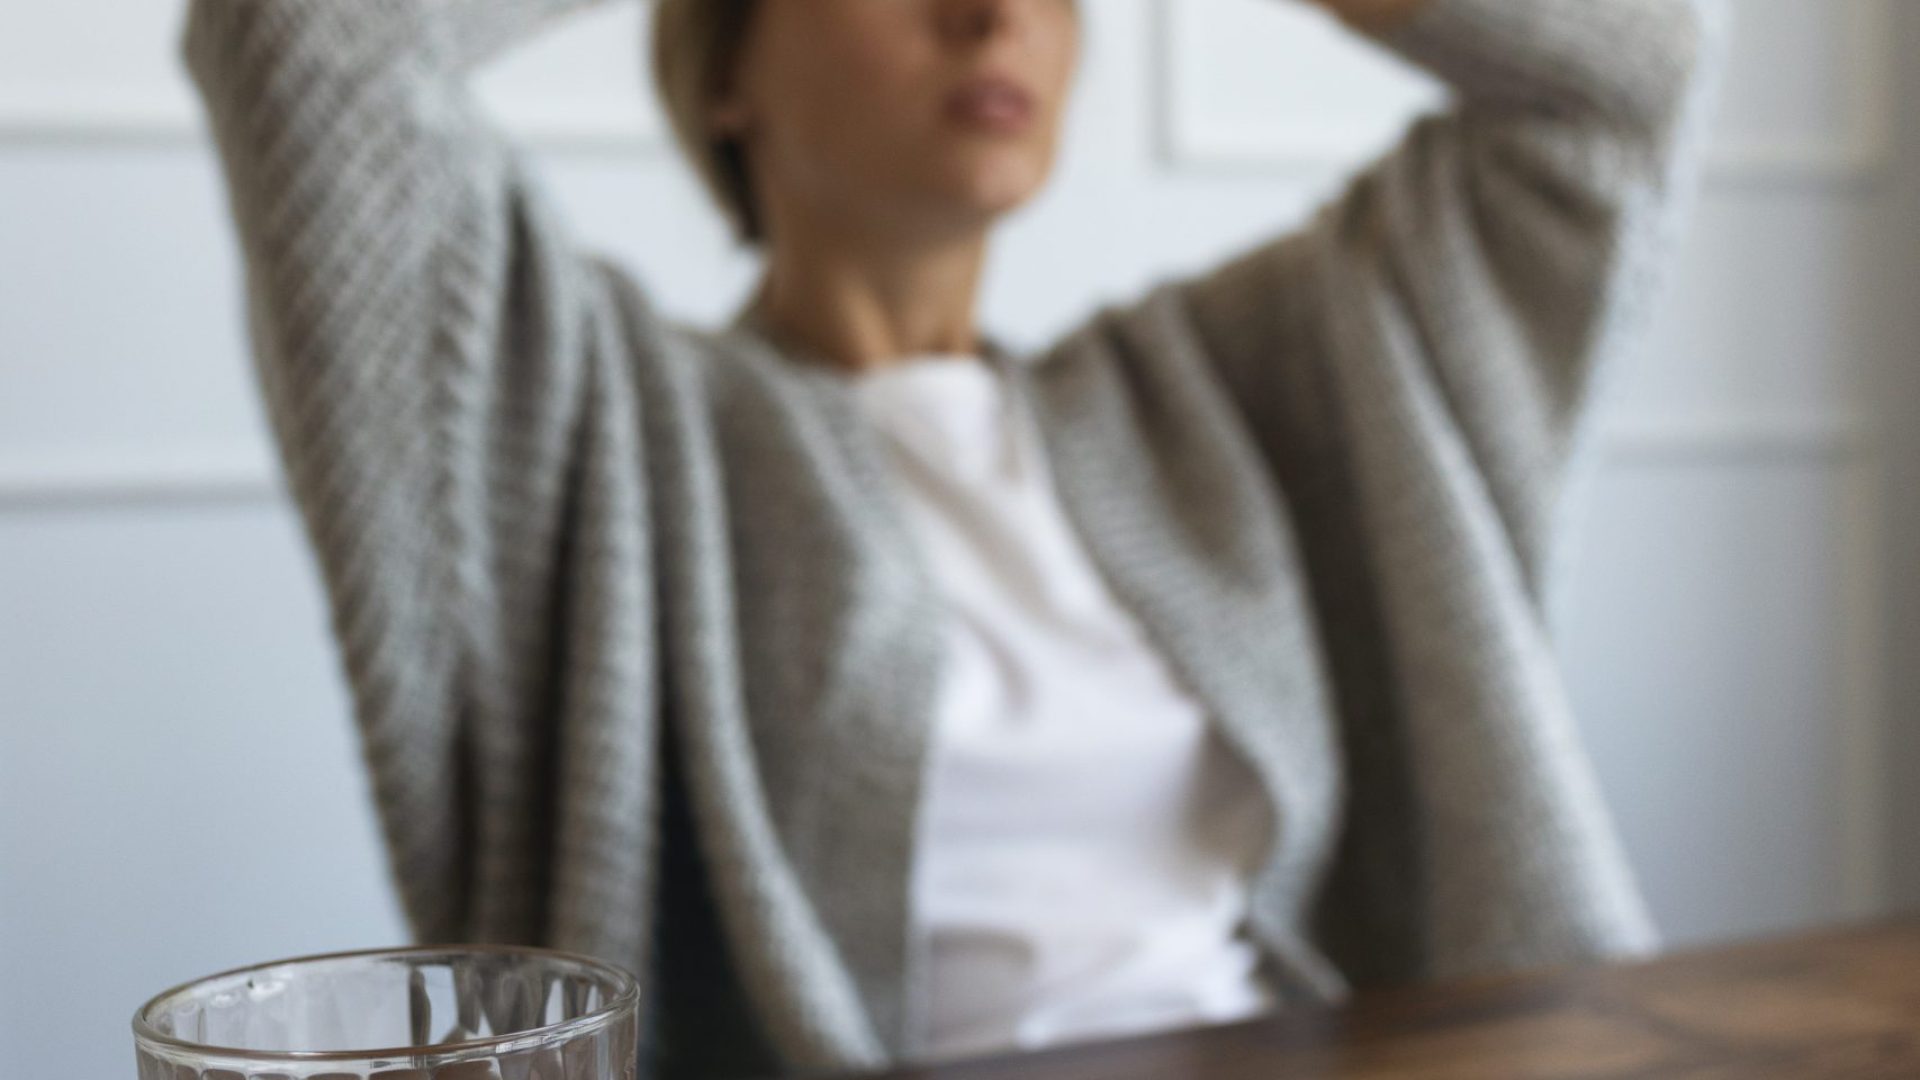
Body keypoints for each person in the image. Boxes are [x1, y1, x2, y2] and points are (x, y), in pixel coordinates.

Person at [179, 0, 1726, 1075]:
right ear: (726, 74)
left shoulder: (1253, 385)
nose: (994, 17)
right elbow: (300, 35)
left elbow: (1627, 79)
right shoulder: (589, 431)